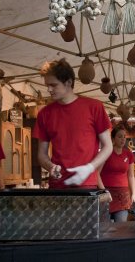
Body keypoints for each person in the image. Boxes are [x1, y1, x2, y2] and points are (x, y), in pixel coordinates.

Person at [33, 58, 113, 188]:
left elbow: (108, 146)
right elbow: (41, 154)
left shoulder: (94, 107)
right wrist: (51, 166)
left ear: (69, 82)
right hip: (57, 186)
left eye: (53, 85)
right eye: (47, 85)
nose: (48, 89)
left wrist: (90, 167)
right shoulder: (44, 114)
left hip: (86, 185)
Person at [99, 127, 135, 222]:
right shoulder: (106, 152)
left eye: (124, 137)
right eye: (119, 136)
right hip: (106, 193)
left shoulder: (129, 154)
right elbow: (96, 173)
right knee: (104, 228)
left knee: (121, 226)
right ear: (113, 138)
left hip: (123, 195)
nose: (123, 139)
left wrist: (133, 194)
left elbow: (131, 176)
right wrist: (103, 191)